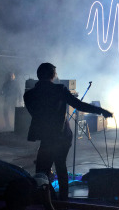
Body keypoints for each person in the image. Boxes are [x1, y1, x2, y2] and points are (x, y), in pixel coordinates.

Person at [23, 62, 113, 201]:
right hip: (62, 136)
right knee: (60, 166)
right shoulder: (59, 89)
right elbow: (79, 105)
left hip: (46, 137)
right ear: (52, 75)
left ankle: (44, 198)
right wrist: (101, 111)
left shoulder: (28, 95)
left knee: (42, 170)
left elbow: (35, 114)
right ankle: (63, 199)